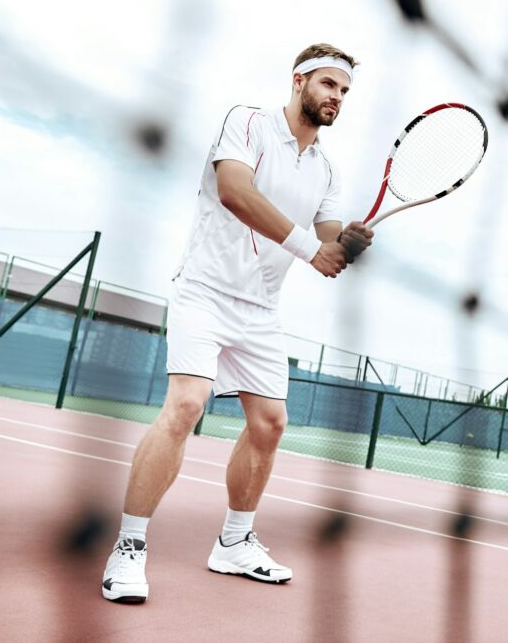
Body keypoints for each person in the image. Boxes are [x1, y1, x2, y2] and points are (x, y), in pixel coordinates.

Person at [101, 43, 373, 603]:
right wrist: (310, 249)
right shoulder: (247, 123)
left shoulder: (326, 168)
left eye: (344, 91)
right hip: (204, 288)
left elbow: (327, 241)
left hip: (260, 308)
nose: (336, 98)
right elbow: (234, 192)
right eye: (328, 85)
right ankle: (128, 547)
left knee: (270, 423)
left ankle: (233, 542)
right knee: (185, 405)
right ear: (299, 81)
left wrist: (349, 243)